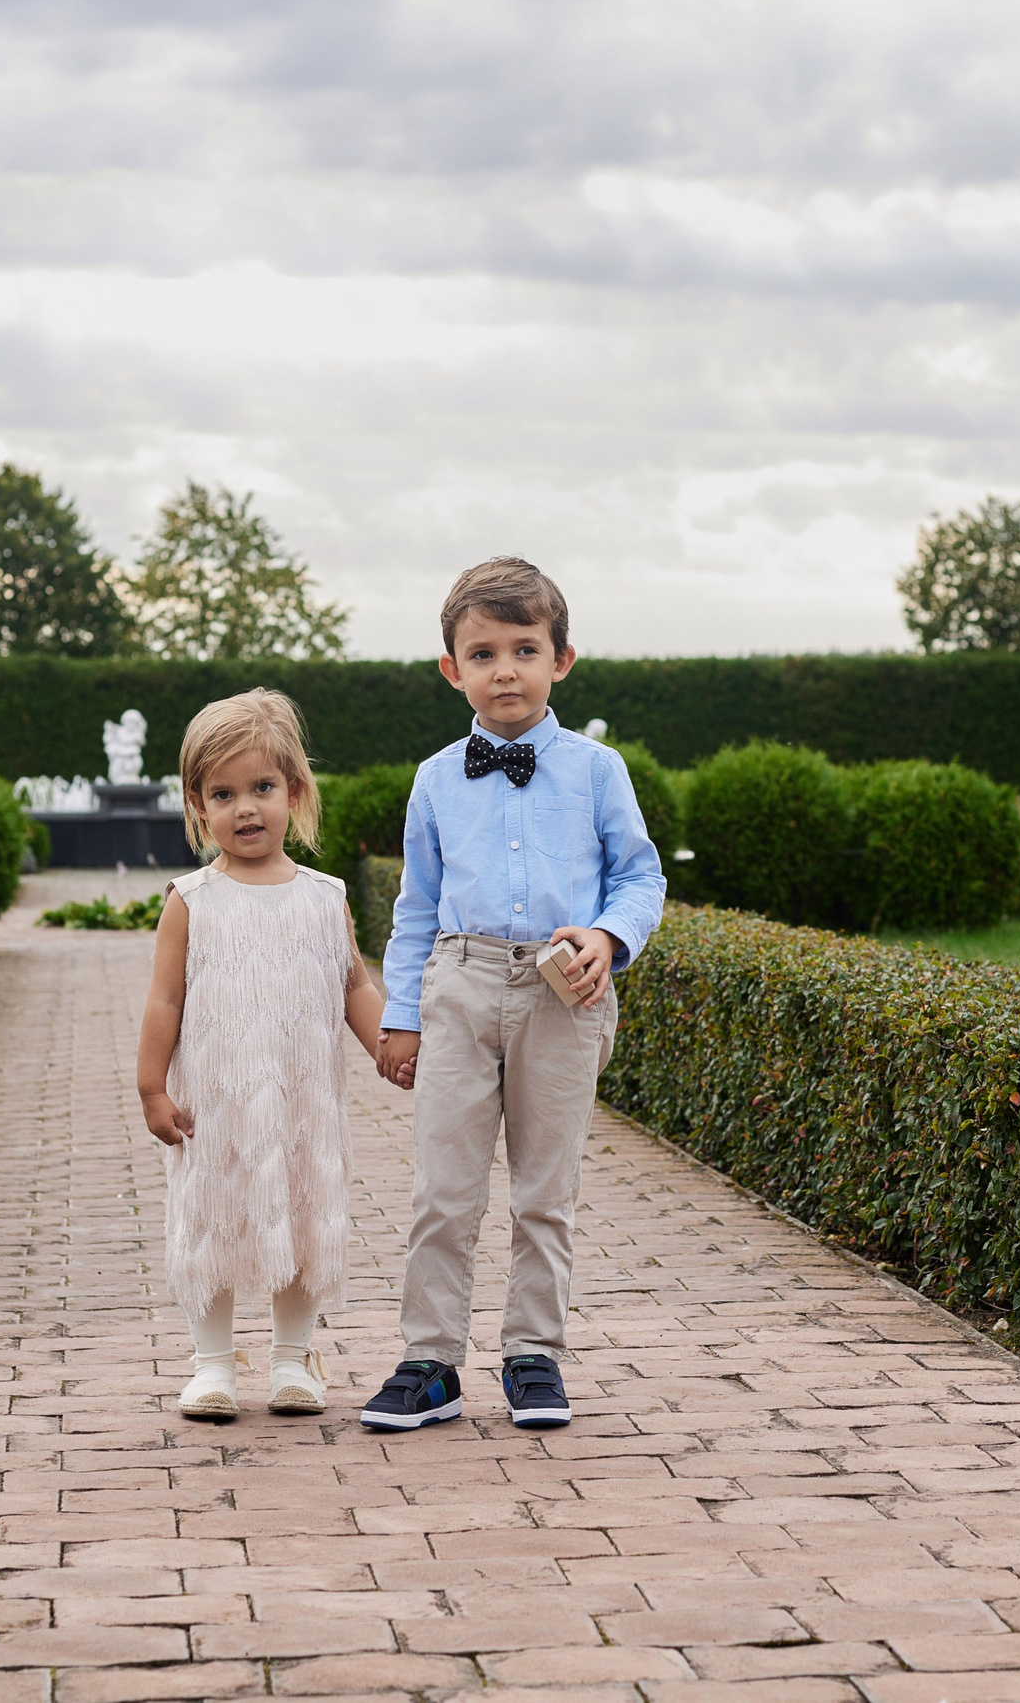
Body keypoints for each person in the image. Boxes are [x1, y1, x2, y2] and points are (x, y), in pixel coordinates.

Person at [364, 557, 667, 1431]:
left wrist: (607, 937)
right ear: (451, 668)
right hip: (458, 984)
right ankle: (430, 1362)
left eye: (525, 649)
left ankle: (533, 1354)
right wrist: (401, 1015)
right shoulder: (433, 778)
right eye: (483, 651)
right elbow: (417, 904)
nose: (506, 669)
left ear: (561, 659)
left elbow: (639, 879)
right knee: (443, 1190)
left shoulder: (599, 770)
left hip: (561, 993)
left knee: (545, 1189)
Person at [135, 689, 386, 1420]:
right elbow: (165, 1002)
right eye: (224, 793)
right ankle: (212, 1362)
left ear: (294, 792)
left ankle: (292, 1357)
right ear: (197, 804)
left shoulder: (324, 896)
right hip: (214, 1103)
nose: (246, 807)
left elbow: (354, 986)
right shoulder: (192, 899)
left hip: (302, 1100)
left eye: (262, 788)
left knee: (301, 1217)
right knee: (213, 1220)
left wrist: (389, 1046)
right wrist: (153, 1086)